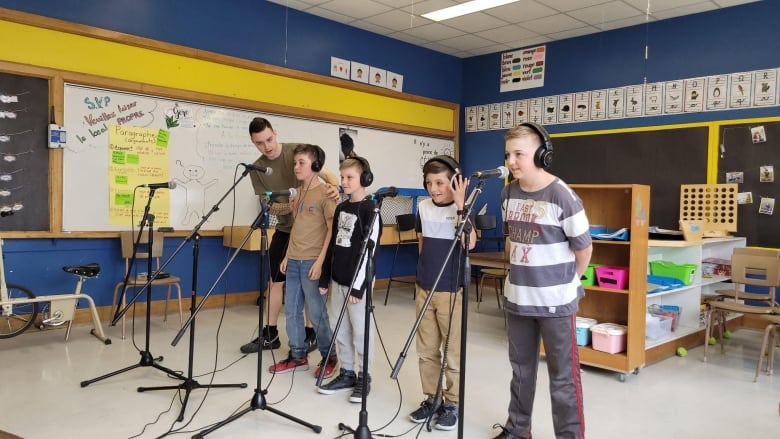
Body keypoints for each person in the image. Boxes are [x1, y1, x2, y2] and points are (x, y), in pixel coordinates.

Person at [492, 123, 592, 439]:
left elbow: (584, 249)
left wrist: (565, 284)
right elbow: (515, 242)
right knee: (521, 372)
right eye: (508, 154)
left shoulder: (562, 195)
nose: (511, 161)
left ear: (541, 154)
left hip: (556, 304)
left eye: (519, 154)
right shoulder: (508, 192)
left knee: (563, 377)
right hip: (518, 299)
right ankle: (518, 429)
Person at [241, 117, 339, 354]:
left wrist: (334, 188)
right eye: (260, 143)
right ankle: (270, 333)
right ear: (254, 144)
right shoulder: (257, 169)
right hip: (286, 229)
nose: (267, 147)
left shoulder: (297, 151)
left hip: (313, 232)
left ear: (275, 133)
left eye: (269, 139)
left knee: (309, 284)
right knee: (274, 280)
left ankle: (310, 333)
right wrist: (291, 206)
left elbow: (329, 177)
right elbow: (269, 205)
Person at [408, 156, 476, 431]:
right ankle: (431, 398)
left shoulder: (464, 209)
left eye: (439, 182)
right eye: (428, 183)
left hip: (451, 290)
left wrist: (461, 206)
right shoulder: (423, 208)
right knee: (426, 350)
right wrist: (422, 277)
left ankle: (453, 403)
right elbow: (422, 244)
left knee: (452, 352)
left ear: (455, 182)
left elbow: (469, 242)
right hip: (425, 286)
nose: (433, 188)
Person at [269, 143, 338, 378]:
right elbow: (296, 228)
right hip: (294, 260)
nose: (296, 167)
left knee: (317, 313)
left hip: (312, 262)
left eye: (302, 163)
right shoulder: (296, 193)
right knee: (292, 312)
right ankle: (298, 354)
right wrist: (287, 255)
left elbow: (331, 230)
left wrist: (321, 262)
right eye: (295, 162)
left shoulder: (326, 193)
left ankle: (329, 355)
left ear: (316, 166)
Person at [317, 157, 380, 403]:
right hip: (338, 280)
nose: (344, 182)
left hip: (358, 284)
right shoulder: (342, 208)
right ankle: (347, 372)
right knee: (340, 328)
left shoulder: (371, 210)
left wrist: (358, 287)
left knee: (361, 330)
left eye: (349, 177)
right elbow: (334, 244)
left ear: (365, 179)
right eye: (342, 177)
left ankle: (365, 376)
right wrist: (325, 277)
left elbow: (369, 253)